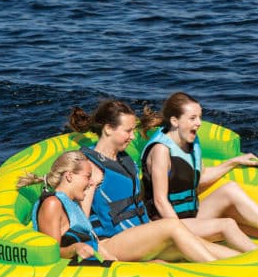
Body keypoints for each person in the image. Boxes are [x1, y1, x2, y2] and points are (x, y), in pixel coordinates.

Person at [67, 98, 240, 262]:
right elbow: (81, 217)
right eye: (127, 131)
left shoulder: (123, 159)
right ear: (108, 129)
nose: (132, 137)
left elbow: (135, 200)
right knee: (172, 226)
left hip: (137, 234)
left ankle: (246, 264)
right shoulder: (91, 167)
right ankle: (220, 274)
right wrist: (99, 252)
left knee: (194, 243)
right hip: (111, 242)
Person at [140, 91, 258, 251]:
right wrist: (180, 234)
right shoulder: (161, 150)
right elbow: (160, 201)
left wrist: (233, 162)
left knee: (230, 189)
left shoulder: (191, 142)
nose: (199, 123)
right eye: (192, 118)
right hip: (165, 225)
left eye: (199, 117)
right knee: (228, 223)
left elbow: (200, 177)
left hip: (191, 215)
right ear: (175, 121)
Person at [16, 151, 114, 265]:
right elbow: (49, 253)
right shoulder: (52, 204)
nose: (91, 182)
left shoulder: (72, 204)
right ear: (69, 176)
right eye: (88, 176)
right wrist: (73, 249)